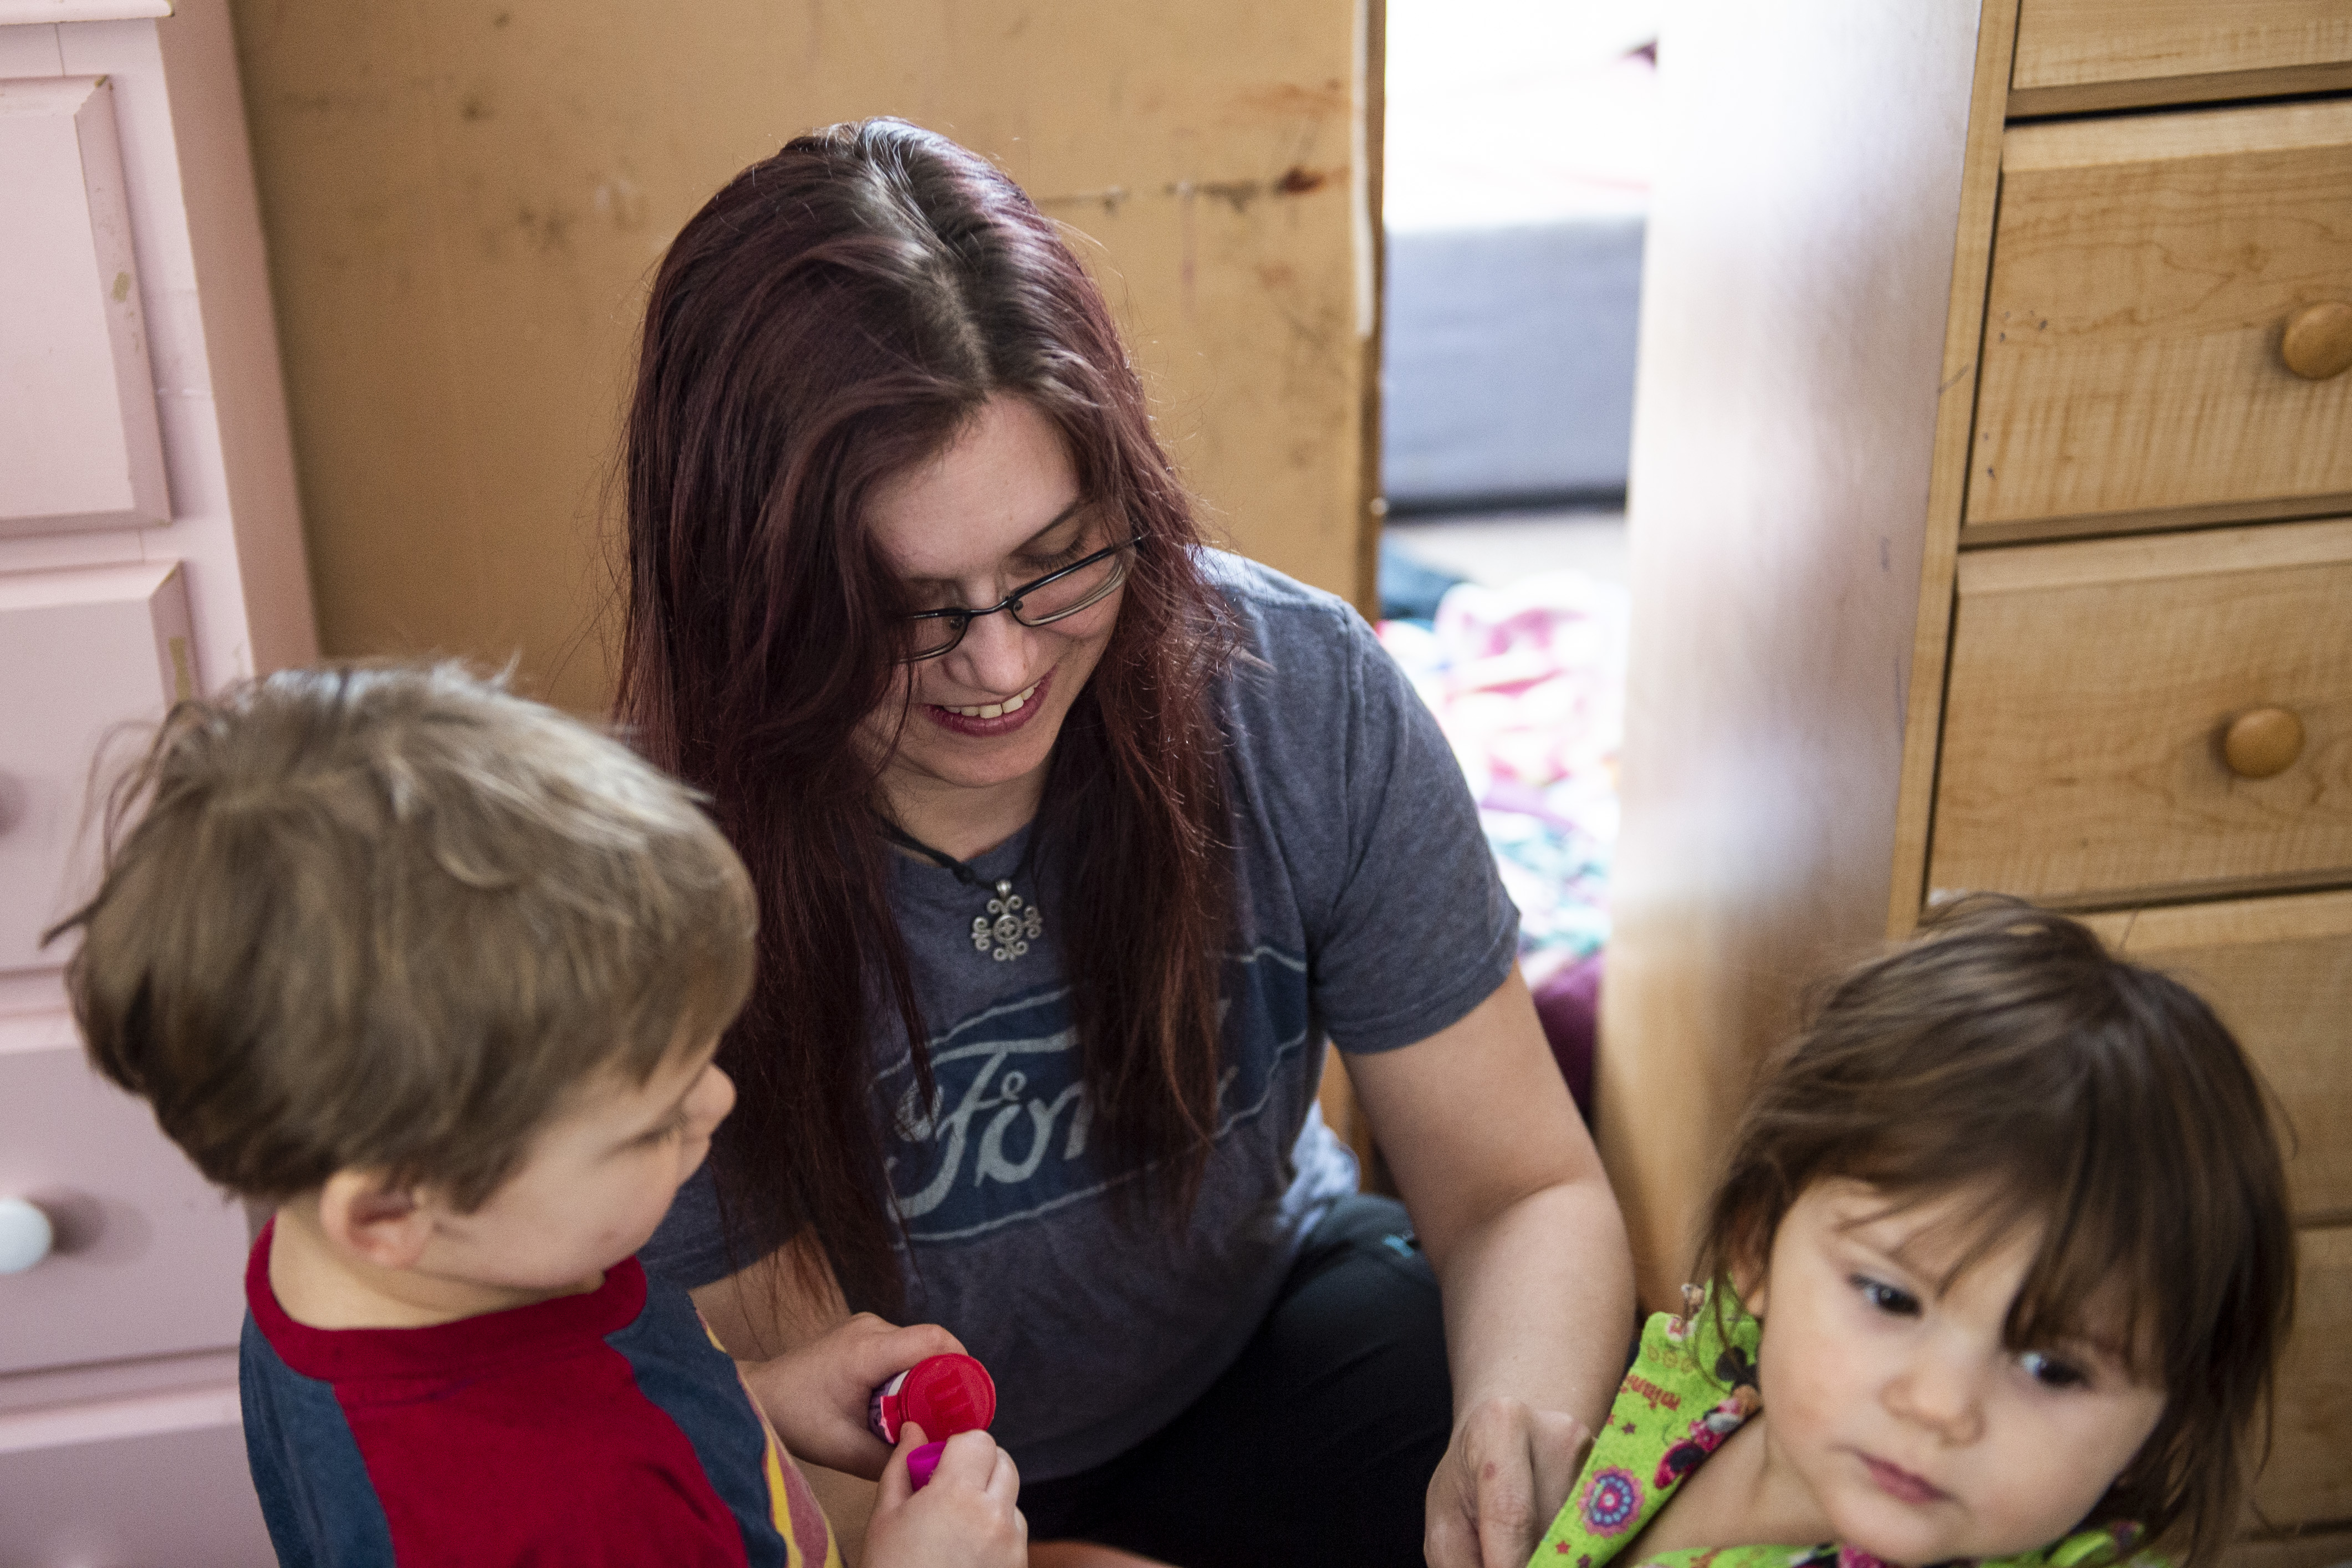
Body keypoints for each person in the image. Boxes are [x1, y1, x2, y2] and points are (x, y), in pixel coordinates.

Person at [617, 118, 1635, 1568]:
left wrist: (1515, 1442)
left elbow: (1519, 1185)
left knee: (1458, 1392)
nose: (998, 666)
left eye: (1057, 563)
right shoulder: (645, 884)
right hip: (908, 1501)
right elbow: (812, 1454)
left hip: (1265, 1345)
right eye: (907, 610)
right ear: (752, 599)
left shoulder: (1296, 693)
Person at [48, 663, 1026, 1568]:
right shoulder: (569, 1518)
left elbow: (601, 1375)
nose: (718, 1103)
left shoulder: (368, 1271)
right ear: (391, 1209)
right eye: (649, 1123)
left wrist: (755, 1401)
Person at [1530, 897, 2296, 1568]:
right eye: (1890, 1297)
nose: (1938, 1403)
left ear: (2174, 1422)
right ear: (1756, 1245)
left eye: (2052, 1368)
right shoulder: (1713, 1373)